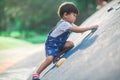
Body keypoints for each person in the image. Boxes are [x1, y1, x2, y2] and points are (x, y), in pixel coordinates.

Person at [32, 2, 99, 80]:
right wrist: (90, 27)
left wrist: (83, 31)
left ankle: (56, 56)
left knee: (70, 44)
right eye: (74, 15)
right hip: (51, 44)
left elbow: (79, 29)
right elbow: (77, 30)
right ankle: (36, 74)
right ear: (65, 15)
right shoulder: (64, 24)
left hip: (59, 43)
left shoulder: (69, 23)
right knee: (49, 59)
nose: (75, 18)